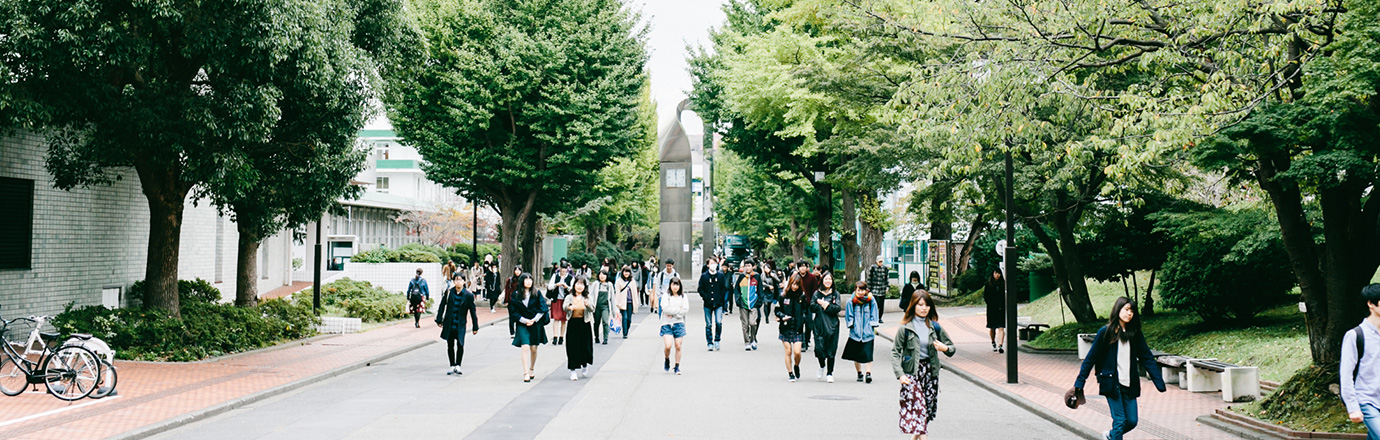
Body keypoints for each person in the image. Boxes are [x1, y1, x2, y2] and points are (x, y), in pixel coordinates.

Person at [1071, 297, 1167, 440]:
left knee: (1132, 421)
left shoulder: (1135, 333)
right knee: (1120, 421)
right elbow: (1090, 359)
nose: (1129, 313)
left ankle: (1110, 436)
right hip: (1111, 383)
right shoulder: (1105, 332)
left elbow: (1146, 357)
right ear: (1118, 310)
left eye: (1132, 311)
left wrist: (1158, 381)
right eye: (1126, 309)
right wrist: (1079, 383)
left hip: (1129, 383)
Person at [892, 292, 956, 440]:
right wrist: (900, 374)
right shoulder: (905, 328)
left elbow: (951, 348)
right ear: (913, 305)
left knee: (925, 413)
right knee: (919, 411)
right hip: (912, 374)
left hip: (931, 373)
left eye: (927, 305)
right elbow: (895, 352)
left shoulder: (935, 327)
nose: (924, 308)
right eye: (920, 305)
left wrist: (944, 348)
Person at [1343, 284, 1380, 438]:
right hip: (1367, 400)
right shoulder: (1355, 335)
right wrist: (1353, 407)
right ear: (1370, 304)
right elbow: (1345, 374)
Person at [435, 274, 479, 375]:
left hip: (461, 324)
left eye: (460, 280)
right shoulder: (449, 292)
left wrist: (475, 326)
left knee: (460, 344)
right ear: (454, 282)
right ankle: (452, 365)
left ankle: (458, 365)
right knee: (450, 345)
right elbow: (442, 305)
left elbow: (473, 312)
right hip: (449, 323)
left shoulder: (468, 295)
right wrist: (439, 319)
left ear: (464, 281)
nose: (458, 282)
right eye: (456, 280)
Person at [509, 273, 549, 382]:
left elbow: (543, 308)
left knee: (534, 348)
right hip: (522, 324)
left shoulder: (537, 293)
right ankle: (525, 373)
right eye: (526, 279)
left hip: (536, 323)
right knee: (525, 346)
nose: (528, 281)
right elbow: (513, 312)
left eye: (530, 279)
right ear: (522, 281)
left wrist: (534, 320)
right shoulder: (516, 295)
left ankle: (531, 368)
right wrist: (525, 320)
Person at [844, 281, 880, 383]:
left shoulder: (871, 300)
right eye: (858, 290)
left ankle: (868, 373)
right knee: (856, 354)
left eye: (862, 290)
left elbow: (874, 313)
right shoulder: (851, 301)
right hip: (856, 332)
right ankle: (859, 372)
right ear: (855, 290)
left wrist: (872, 325)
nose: (860, 292)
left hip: (867, 332)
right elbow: (849, 315)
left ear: (866, 290)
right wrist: (851, 326)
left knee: (868, 354)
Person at [810, 272, 843, 383]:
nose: (828, 281)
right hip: (819, 324)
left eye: (830, 279)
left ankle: (829, 372)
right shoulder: (817, 294)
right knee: (819, 349)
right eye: (826, 279)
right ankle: (822, 365)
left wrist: (826, 305)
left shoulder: (835, 294)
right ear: (822, 281)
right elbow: (812, 307)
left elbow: (837, 308)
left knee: (831, 350)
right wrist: (819, 303)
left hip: (832, 324)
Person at [563, 277, 595, 381]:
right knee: (572, 346)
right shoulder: (569, 296)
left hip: (584, 323)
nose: (579, 286)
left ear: (585, 286)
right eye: (578, 284)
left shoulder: (587, 297)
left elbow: (592, 308)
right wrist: (569, 307)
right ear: (574, 285)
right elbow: (564, 306)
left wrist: (588, 304)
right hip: (573, 323)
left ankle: (584, 364)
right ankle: (573, 370)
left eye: (582, 284)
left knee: (585, 346)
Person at [777, 274, 807, 381]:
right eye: (793, 284)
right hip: (785, 327)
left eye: (797, 285)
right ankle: (790, 373)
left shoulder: (802, 297)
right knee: (788, 351)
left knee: (797, 352)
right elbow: (777, 310)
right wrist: (782, 317)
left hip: (798, 328)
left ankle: (796, 365)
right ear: (790, 284)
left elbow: (805, 310)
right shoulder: (783, 296)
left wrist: (803, 319)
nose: (795, 287)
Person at [660, 278, 690, 375]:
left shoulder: (683, 297)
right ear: (670, 285)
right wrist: (678, 310)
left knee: (678, 346)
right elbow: (665, 309)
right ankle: (667, 358)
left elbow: (685, 309)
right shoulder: (666, 296)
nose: (675, 287)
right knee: (668, 346)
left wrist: (674, 313)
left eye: (677, 285)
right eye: (673, 284)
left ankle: (677, 366)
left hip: (679, 323)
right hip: (667, 324)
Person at [733, 260, 763, 350]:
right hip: (743, 304)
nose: (747, 267)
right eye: (746, 266)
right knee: (745, 325)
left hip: (754, 304)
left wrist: (759, 302)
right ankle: (747, 342)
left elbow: (760, 290)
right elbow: (736, 289)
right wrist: (738, 300)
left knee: (753, 323)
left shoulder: (757, 277)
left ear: (753, 267)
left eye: (749, 266)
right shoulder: (741, 277)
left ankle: (753, 339)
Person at [698, 261, 724, 351]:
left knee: (718, 322)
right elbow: (700, 288)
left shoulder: (720, 275)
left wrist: (721, 298)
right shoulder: (704, 276)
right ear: (708, 265)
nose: (713, 265)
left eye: (715, 263)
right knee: (708, 324)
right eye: (711, 263)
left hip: (718, 304)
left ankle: (717, 339)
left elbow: (724, 288)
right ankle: (709, 342)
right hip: (707, 304)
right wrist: (705, 297)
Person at [547, 265, 575, 345]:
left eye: (565, 268)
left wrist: (567, 287)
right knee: (556, 318)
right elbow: (549, 287)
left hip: (565, 300)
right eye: (562, 268)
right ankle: (555, 337)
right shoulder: (555, 276)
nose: (563, 270)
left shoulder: (570, 277)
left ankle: (561, 337)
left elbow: (573, 289)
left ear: (567, 269)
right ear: (560, 268)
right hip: (556, 299)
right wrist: (557, 285)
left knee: (563, 319)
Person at [983, 269, 1007, 353]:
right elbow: (986, 297)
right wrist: (990, 304)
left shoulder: (1003, 284)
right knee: (992, 327)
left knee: (1001, 327)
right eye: (995, 273)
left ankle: (1000, 345)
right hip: (991, 309)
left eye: (998, 273)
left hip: (1001, 308)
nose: (997, 275)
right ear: (992, 274)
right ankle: (993, 342)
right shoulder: (988, 285)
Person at [592, 270, 616, 345]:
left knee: (605, 321)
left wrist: (613, 310)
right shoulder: (596, 284)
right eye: (600, 274)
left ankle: (605, 338)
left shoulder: (609, 285)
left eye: (604, 274)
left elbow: (612, 298)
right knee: (596, 323)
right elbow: (591, 295)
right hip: (596, 306)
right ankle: (596, 336)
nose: (602, 276)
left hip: (605, 306)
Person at [615, 266, 639, 339]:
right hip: (622, 302)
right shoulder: (619, 281)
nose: (626, 273)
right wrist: (617, 303)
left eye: (628, 272)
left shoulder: (632, 281)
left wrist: (636, 302)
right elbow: (617, 292)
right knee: (624, 317)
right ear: (622, 272)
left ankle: (627, 329)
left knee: (629, 319)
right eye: (625, 272)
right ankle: (624, 333)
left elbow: (635, 293)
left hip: (630, 302)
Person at [868, 256, 891, 324]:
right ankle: (873, 317)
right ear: (876, 261)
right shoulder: (872, 268)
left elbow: (887, 278)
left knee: (881, 305)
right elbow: (869, 278)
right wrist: (869, 289)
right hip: (874, 289)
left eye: (881, 261)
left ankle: (879, 318)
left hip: (882, 289)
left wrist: (887, 287)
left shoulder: (885, 268)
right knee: (875, 304)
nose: (880, 263)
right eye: (879, 261)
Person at [504, 266, 523, 334]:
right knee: (511, 317)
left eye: (519, 270)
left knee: (520, 316)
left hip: (520, 300)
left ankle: (518, 330)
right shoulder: (510, 280)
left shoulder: (523, 280)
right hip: (511, 300)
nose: (517, 272)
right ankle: (512, 332)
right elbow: (507, 290)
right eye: (516, 270)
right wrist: (506, 300)